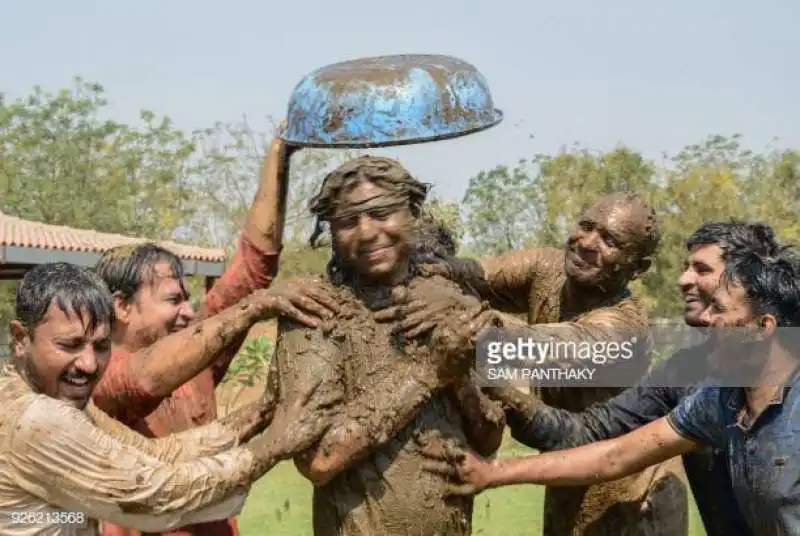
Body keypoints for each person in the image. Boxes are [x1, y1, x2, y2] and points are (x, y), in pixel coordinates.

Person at [424, 246, 800, 536]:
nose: (705, 319)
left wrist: (473, 338)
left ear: (764, 327)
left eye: (719, 311)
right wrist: (494, 473)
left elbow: (537, 346)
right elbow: (616, 455)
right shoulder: (719, 401)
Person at [392, 193, 687, 536]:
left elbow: (519, 347)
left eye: (610, 240)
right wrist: (408, 259)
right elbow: (467, 273)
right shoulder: (546, 269)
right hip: (566, 472)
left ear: (638, 267)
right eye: (586, 226)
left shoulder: (625, 332)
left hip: (633, 497)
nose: (588, 242)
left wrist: (451, 311)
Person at [90, 135, 339, 536]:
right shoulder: (89, 378)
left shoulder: (196, 358)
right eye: (173, 299)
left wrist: (280, 153)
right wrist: (254, 308)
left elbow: (253, 270)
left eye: (188, 300)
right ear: (121, 307)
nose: (188, 311)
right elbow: (143, 380)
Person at [0, 262, 332, 536]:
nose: (89, 364)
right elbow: (159, 493)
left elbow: (155, 454)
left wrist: (264, 411)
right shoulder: (38, 418)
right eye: (69, 345)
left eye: (100, 346)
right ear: (20, 339)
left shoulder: (52, 398)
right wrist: (274, 445)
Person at [269, 155, 505, 535]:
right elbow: (319, 460)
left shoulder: (451, 305)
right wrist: (428, 370)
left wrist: (459, 375)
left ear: (413, 213)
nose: (366, 232)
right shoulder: (315, 315)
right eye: (348, 222)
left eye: (381, 213)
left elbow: (490, 438)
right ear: (331, 232)